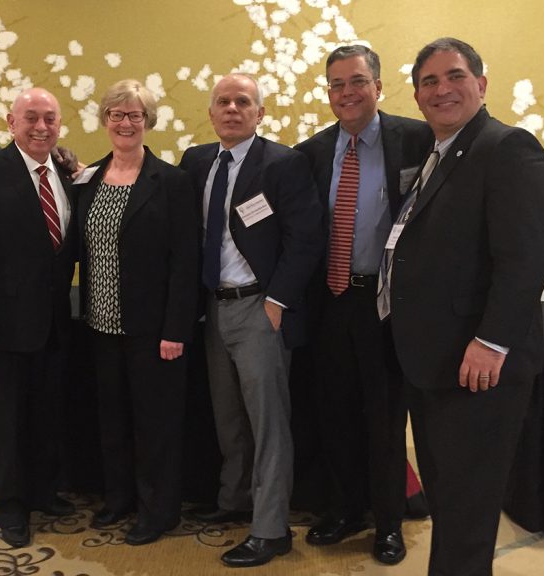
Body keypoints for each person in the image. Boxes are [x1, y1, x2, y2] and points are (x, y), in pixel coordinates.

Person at [385, 38, 544, 576]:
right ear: (416, 96)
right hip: (436, 362)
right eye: (429, 82)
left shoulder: (508, 148)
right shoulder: (436, 155)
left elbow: (524, 260)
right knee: (452, 503)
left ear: (480, 84)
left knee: (467, 507)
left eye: (454, 76)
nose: (442, 89)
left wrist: (492, 342)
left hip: (478, 366)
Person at [294, 45, 433, 565]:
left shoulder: (417, 140)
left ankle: (388, 523)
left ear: (378, 86)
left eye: (356, 81)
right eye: (336, 84)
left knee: (384, 418)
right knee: (334, 414)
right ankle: (346, 509)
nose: (346, 93)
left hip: (386, 305)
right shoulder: (310, 151)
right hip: (329, 302)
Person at [180, 73, 324, 568]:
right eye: (223, 101)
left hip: (260, 307)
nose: (232, 109)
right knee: (227, 416)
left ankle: (271, 529)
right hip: (213, 307)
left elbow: (306, 239)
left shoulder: (283, 164)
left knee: (267, 423)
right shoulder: (197, 161)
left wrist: (277, 300)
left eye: (244, 101)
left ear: (260, 113)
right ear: (211, 112)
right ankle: (235, 500)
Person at [0, 87, 77, 549]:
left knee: (46, 416)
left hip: (54, 326)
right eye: (31, 118)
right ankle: (10, 506)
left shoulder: (64, 174)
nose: (41, 127)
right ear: (10, 122)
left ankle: (43, 493)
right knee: (6, 426)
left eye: (49, 119)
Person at [75, 79, 198, 546]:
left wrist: (175, 328)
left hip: (153, 330)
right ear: (105, 120)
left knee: (154, 426)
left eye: (135, 115)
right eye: (117, 114)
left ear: (148, 121)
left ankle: (157, 511)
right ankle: (119, 498)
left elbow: (185, 261)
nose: (125, 123)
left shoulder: (171, 182)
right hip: (100, 325)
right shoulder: (88, 178)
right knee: (112, 420)